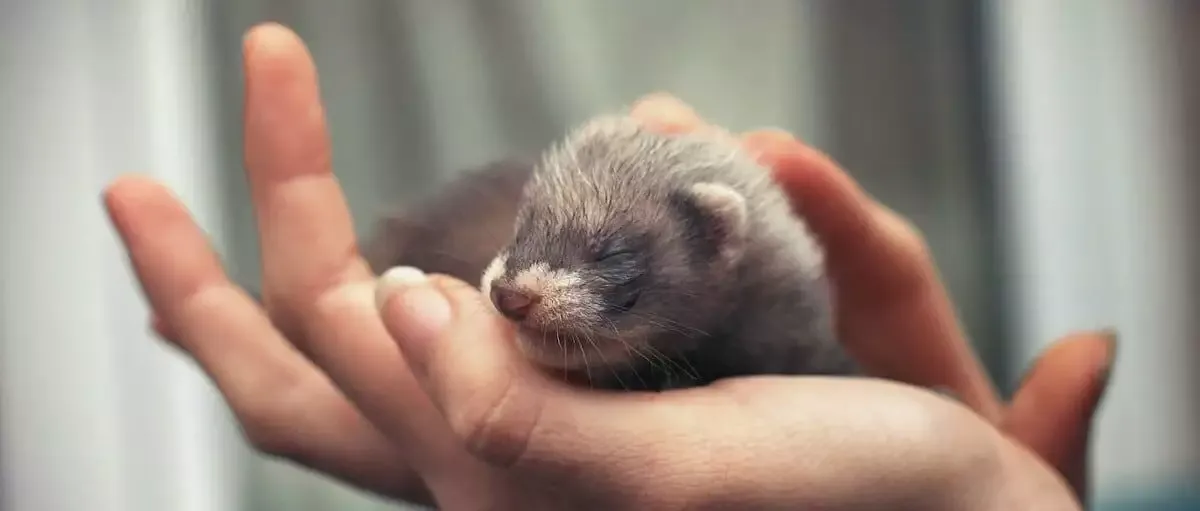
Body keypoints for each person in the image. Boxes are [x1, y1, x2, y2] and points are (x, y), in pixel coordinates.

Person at [103, 23, 1114, 510]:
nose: (514, 282)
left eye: (612, 259)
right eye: (535, 236)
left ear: (718, 241)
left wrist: (981, 477)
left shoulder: (793, 324)